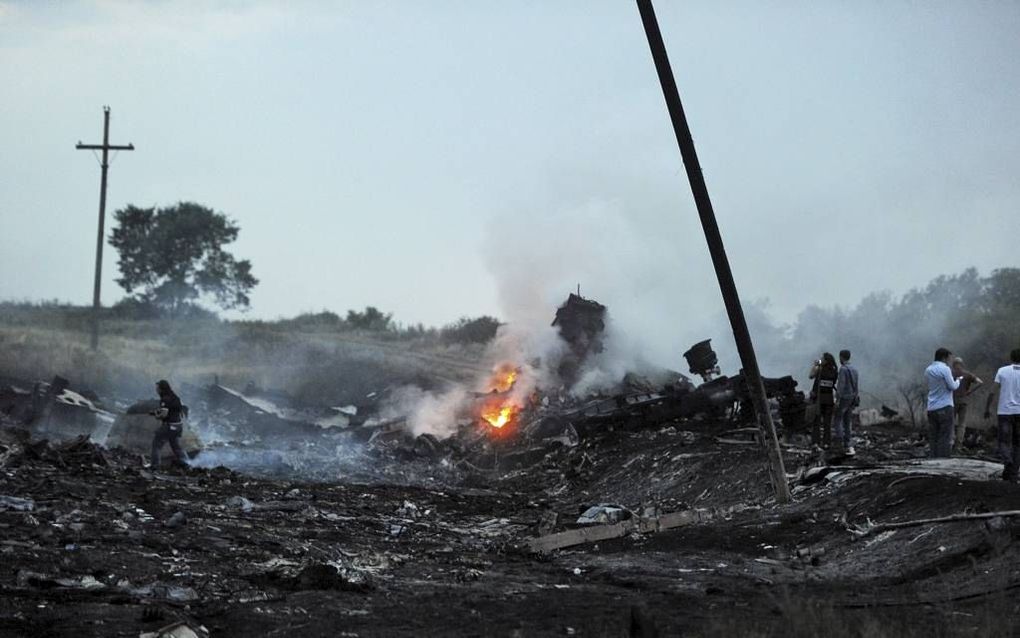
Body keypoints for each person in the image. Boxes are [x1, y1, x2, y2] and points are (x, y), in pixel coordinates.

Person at [983, 348, 1020, 482]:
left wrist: (987, 408)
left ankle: (1007, 460)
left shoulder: (1002, 371)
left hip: (1005, 412)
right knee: (1017, 444)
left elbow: (992, 391)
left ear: (1011, 357)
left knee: (1004, 442)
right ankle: (1013, 474)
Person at [924, 348, 960, 458]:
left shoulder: (928, 369)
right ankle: (942, 459)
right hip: (945, 406)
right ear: (944, 358)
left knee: (934, 435)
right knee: (944, 435)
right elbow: (952, 386)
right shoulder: (945, 369)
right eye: (949, 358)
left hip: (931, 407)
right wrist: (958, 380)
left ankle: (933, 458)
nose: (950, 361)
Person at [151, 379, 188, 469]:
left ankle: (155, 466)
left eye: (157, 388)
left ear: (162, 389)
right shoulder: (175, 397)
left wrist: (156, 415)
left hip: (169, 426)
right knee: (176, 447)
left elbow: (164, 414)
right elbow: (175, 409)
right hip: (178, 426)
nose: (156, 390)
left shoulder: (165, 399)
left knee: (156, 445)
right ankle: (186, 464)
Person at [951, 357, 983, 453]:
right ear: (962, 364)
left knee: (951, 423)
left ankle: (951, 443)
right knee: (961, 424)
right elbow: (980, 382)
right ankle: (958, 446)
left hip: (952, 401)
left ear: (953, 365)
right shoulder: (968, 374)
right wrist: (969, 392)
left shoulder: (951, 374)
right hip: (964, 401)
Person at [808, 353, 838, 449]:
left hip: (819, 399)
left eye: (822, 358)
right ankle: (826, 443)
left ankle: (816, 442)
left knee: (816, 422)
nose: (820, 359)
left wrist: (816, 365)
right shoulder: (834, 371)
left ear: (825, 361)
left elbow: (811, 376)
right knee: (827, 423)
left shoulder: (820, 370)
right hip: (829, 399)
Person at [833, 349, 859, 456]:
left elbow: (841, 386)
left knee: (837, 419)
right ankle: (848, 442)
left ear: (841, 357)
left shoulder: (843, 369)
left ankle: (840, 441)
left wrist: (837, 399)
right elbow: (856, 386)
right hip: (852, 398)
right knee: (848, 421)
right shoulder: (854, 369)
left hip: (844, 398)